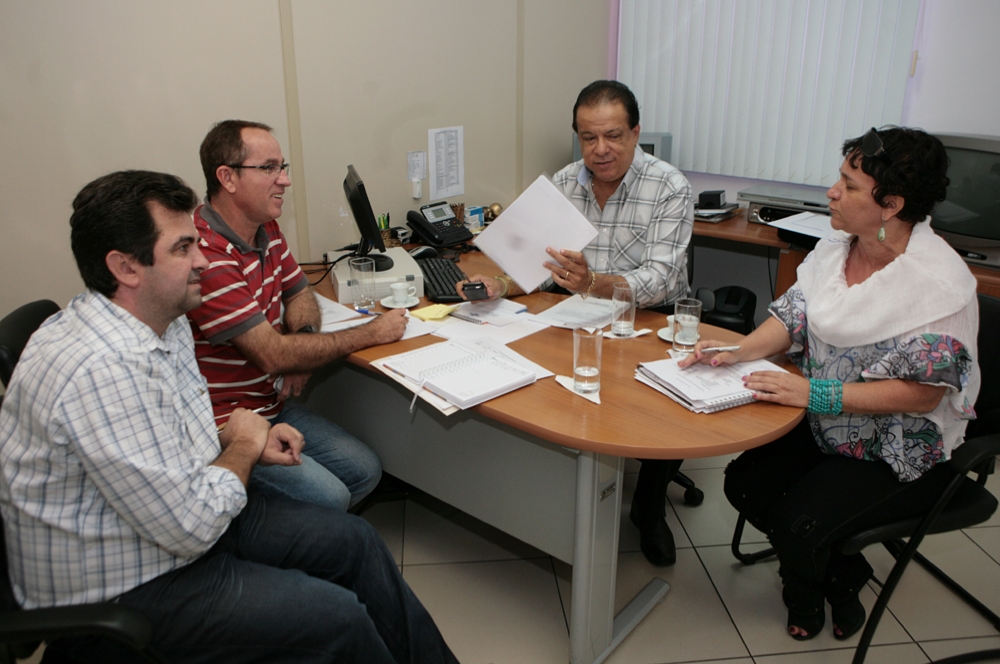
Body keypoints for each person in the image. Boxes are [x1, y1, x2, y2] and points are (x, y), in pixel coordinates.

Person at [0, 170, 458, 663]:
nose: (202, 260)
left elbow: (166, 434)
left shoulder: (161, 316)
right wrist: (242, 443)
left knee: (357, 543)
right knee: (336, 618)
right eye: (183, 248)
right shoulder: (100, 370)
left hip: (175, 518)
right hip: (130, 582)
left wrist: (233, 438)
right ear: (125, 267)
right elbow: (191, 527)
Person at [680, 127, 980, 641]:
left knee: (799, 524)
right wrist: (739, 350)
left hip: (898, 445)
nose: (832, 192)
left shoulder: (937, 284)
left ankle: (814, 593)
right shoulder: (836, 248)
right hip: (829, 422)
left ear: (891, 205)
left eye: (849, 185)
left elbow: (923, 393)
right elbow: (794, 317)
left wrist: (815, 393)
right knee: (744, 484)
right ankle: (847, 571)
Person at [459, 80, 694, 566]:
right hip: (578, 316)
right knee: (538, 388)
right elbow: (538, 267)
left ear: (635, 133)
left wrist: (593, 283)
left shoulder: (669, 186)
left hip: (651, 318)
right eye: (589, 137)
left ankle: (648, 510)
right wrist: (501, 284)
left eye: (613, 135)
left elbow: (661, 279)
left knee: (663, 414)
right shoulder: (564, 184)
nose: (600, 149)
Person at [187, 120, 408, 512]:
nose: (284, 180)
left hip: (270, 404)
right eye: (269, 168)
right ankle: (248, 520)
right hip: (228, 426)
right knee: (332, 497)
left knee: (365, 471)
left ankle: (296, 524)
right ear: (227, 178)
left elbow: (300, 291)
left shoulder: (265, 226)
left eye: (282, 167)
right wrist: (371, 332)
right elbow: (272, 355)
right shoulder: (205, 255)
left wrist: (302, 344)